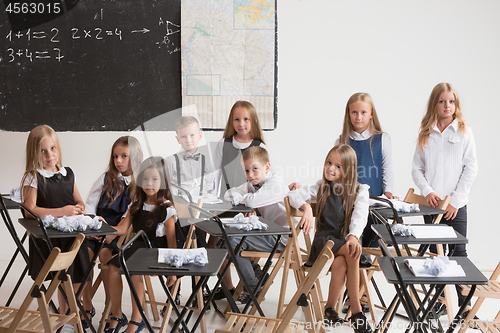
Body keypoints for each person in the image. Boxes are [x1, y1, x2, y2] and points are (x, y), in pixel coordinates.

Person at [288, 144, 372, 333]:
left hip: (344, 240)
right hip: (324, 242)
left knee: (342, 262)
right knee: (351, 252)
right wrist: (307, 208)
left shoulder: (359, 190)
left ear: (348, 170)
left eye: (338, 166)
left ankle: (330, 309)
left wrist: (352, 237)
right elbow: (292, 196)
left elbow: (360, 215)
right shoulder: (321, 186)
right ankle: (357, 313)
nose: (331, 168)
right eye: (329, 162)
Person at [412, 82, 478, 318]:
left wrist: (455, 201)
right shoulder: (426, 132)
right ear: (435, 104)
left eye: (451, 101)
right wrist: (428, 191)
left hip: (456, 205)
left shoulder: (463, 131)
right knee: (434, 255)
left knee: (459, 252)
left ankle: (466, 305)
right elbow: (417, 169)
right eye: (442, 101)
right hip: (432, 206)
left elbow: (471, 168)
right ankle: (440, 302)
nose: (447, 105)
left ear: (456, 104)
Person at [20, 124, 90, 333]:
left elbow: (78, 200)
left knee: (78, 276)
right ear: (34, 153)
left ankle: (72, 312)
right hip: (50, 239)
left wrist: (79, 208)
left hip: (72, 235)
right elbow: (29, 210)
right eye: (42, 151)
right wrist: (63, 211)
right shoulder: (34, 176)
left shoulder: (67, 173)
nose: (49, 155)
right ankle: (64, 317)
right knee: (62, 277)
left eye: (52, 149)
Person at [337, 92, 397, 313]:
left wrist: (389, 191)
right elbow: (337, 172)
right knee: (352, 248)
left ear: (371, 114)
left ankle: (358, 295)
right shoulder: (342, 141)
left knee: (367, 249)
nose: (359, 117)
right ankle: (354, 295)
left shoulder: (382, 139)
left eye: (363, 112)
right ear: (349, 114)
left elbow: (387, 169)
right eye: (354, 112)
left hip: (374, 204)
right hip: (350, 204)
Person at [105, 157, 177, 333]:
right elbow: (122, 229)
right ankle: (116, 313)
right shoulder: (136, 203)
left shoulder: (166, 209)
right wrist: (103, 227)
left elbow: (172, 241)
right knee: (113, 268)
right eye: (145, 179)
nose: (149, 183)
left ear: (163, 182)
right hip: (136, 248)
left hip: (156, 252)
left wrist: (173, 270)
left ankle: (137, 319)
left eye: (154, 179)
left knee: (132, 271)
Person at [83, 136, 143, 330]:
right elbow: (90, 205)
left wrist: (107, 234)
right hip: (97, 230)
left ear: (135, 157)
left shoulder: (139, 185)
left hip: (119, 235)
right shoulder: (106, 178)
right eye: (116, 156)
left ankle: (115, 313)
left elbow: (128, 222)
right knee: (82, 253)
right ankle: (86, 305)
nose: (119, 161)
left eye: (124, 156)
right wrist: (92, 226)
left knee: (105, 253)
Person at [218, 146, 289, 304]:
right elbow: (229, 193)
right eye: (246, 171)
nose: (250, 175)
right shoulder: (253, 183)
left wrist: (245, 198)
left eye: (255, 169)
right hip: (266, 232)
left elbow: (252, 201)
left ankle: (252, 286)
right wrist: (244, 196)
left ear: (267, 167)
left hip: (281, 237)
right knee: (220, 242)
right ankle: (257, 273)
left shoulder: (275, 183)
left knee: (232, 241)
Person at [213, 100, 267, 197]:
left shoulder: (260, 146)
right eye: (237, 119)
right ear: (231, 121)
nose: (241, 124)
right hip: (226, 205)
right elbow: (215, 174)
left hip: (250, 206)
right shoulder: (223, 144)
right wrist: (213, 200)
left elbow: (267, 178)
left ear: (253, 120)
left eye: (246, 119)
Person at [165, 116, 215, 200]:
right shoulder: (170, 161)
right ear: (178, 139)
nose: (188, 140)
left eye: (192, 135)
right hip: (177, 205)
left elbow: (210, 188)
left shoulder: (207, 161)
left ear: (200, 136)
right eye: (183, 136)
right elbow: (165, 187)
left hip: (200, 206)